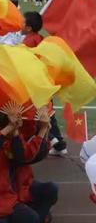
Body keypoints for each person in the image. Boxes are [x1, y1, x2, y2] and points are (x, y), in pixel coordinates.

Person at [22, 11, 68, 156]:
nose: (20, 24)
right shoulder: (40, 38)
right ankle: (58, 143)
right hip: (43, 83)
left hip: (33, 84)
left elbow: (24, 61)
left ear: (28, 27)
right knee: (48, 112)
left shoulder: (28, 41)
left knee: (35, 113)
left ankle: (52, 139)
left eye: (22, 22)